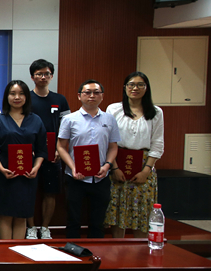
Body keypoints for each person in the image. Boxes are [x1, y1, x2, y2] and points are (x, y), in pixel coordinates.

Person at [57, 80, 120, 239]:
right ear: (79, 96)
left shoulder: (110, 119)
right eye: (87, 92)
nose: (92, 95)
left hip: (101, 177)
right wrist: (73, 167)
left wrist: (107, 165)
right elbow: (61, 147)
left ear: (102, 96)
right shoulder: (69, 119)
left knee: (98, 222)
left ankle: (97, 251)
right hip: (75, 177)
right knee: (73, 220)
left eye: (96, 92)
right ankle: (73, 250)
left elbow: (113, 147)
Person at [0, 81, 47, 240]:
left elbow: (42, 150)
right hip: (4, 172)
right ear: (7, 97)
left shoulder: (36, 120)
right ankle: (4, 251)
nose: (17, 97)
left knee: (21, 215)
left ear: (27, 97)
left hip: (28, 174)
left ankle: (17, 251)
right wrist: (1, 168)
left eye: (21, 94)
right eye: (12, 94)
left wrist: (36, 168)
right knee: (5, 215)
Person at [105, 72, 164, 238]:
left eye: (140, 85)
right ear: (125, 87)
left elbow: (158, 143)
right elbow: (108, 140)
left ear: (146, 88)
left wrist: (146, 171)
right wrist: (114, 168)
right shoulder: (113, 109)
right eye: (131, 84)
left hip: (144, 165)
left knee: (142, 210)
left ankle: (141, 249)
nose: (135, 88)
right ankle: (118, 246)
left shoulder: (156, 112)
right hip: (117, 162)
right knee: (118, 209)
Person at [28, 59, 71, 239]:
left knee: (50, 192)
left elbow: (66, 127)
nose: (43, 77)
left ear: (51, 76)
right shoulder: (26, 98)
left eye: (46, 74)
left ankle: (45, 228)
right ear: (32, 77)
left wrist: (60, 150)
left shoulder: (60, 99)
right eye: (39, 74)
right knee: (28, 192)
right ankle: (31, 227)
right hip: (30, 154)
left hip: (54, 154)